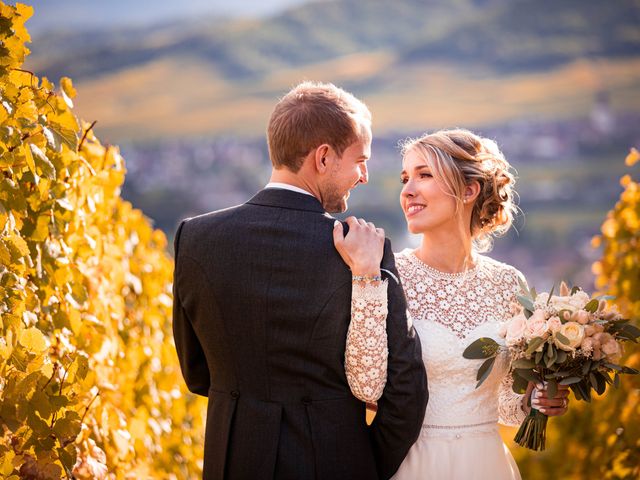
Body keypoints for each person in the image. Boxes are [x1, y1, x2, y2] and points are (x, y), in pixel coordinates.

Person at [172, 81, 428, 480]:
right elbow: (406, 391)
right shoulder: (364, 251)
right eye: (360, 160)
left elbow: (197, 372)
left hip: (233, 460)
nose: (363, 176)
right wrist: (361, 463)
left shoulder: (195, 239)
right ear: (323, 157)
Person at [334, 129, 570, 479]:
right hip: (412, 464)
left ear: (469, 190)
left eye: (424, 175)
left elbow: (506, 403)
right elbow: (366, 387)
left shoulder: (508, 283)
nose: (408, 190)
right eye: (405, 178)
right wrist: (366, 278)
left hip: (487, 464)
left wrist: (535, 401)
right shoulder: (386, 275)